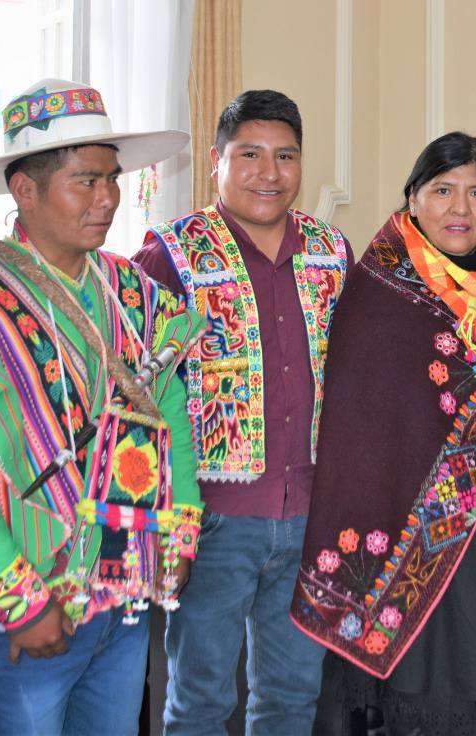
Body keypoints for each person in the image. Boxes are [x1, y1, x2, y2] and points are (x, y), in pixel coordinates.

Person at [0, 78, 203, 735]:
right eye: (86, 181)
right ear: (25, 191)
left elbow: (171, 415)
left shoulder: (132, 291)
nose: (106, 199)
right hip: (27, 607)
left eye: (112, 180)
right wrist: (20, 602)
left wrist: (181, 529)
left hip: (124, 590)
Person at [292, 132, 476, 734]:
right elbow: (361, 417)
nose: (459, 208)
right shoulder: (381, 281)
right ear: (413, 199)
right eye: (442, 191)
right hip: (398, 518)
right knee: (420, 693)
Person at [131, 89, 348, 735]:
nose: (269, 172)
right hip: (216, 520)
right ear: (216, 162)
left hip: (309, 513)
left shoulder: (332, 254)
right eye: (249, 154)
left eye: (285, 156)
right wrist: (164, 519)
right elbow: (140, 397)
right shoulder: (171, 255)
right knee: (199, 702)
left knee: (290, 696)